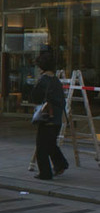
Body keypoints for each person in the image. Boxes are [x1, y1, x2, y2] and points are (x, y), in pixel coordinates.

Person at [31, 50, 69, 180]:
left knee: (41, 146)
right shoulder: (56, 81)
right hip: (57, 118)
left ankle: (45, 173)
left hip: (46, 117)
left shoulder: (43, 80)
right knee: (51, 143)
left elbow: (35, 98)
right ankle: (60, 164)